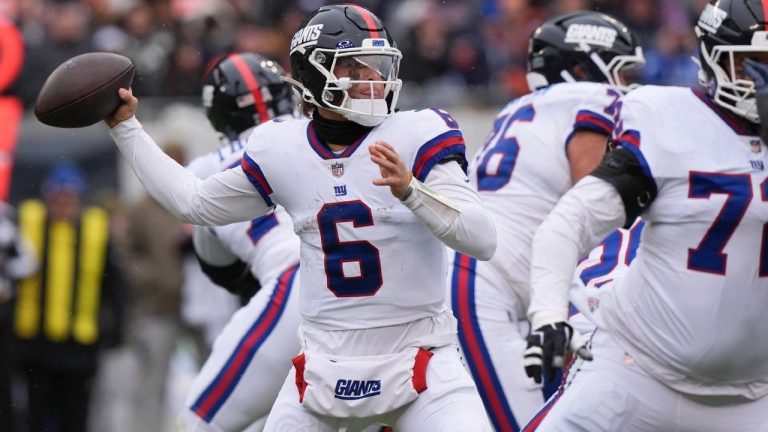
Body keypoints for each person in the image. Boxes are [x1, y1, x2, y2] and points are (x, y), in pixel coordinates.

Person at [105, 4, 496, 430]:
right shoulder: (281, 147)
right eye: (354, 67)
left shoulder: (419, 132)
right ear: (313, 73)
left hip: (420, 362)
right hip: (321, 372)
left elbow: (481, 237)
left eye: (377, 65)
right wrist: (126, 127)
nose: (372, 78)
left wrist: (412, 192)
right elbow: (194, 204)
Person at [523, 0, 768, 430]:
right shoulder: (671, 120)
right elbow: (570, 223)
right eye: (756, 64)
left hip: (753, 397)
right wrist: (547, 315)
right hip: (636, 373)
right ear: (715, 59)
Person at [447, 11, 644, 430]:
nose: (625, 85)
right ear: (580, 66)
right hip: (489, 287)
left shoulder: (519, 107)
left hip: (501, 284)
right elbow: (593, 197)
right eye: (621, 71)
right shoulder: (597, 99)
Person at [180, 52, 303, 432]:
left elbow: (220, 268)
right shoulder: (321, 139)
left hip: (292, 285)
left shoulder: (204, 169)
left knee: (204, 420)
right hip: (368, 290)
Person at [12, 160, 125, 432]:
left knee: (76, 418)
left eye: (69, 197)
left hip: (80, 345)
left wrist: (116, 328)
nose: (63, 203)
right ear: (47, 197)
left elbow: (116, 286)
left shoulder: (95, 230)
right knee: (34, 417)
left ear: (78, 199)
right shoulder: (27, 223)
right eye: (57, 197)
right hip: (35, 345)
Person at [0, 202, 37, 432]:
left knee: (6, 381)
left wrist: (7, 268)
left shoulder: (8, 218)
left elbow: (29, 262)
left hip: (4, 315)